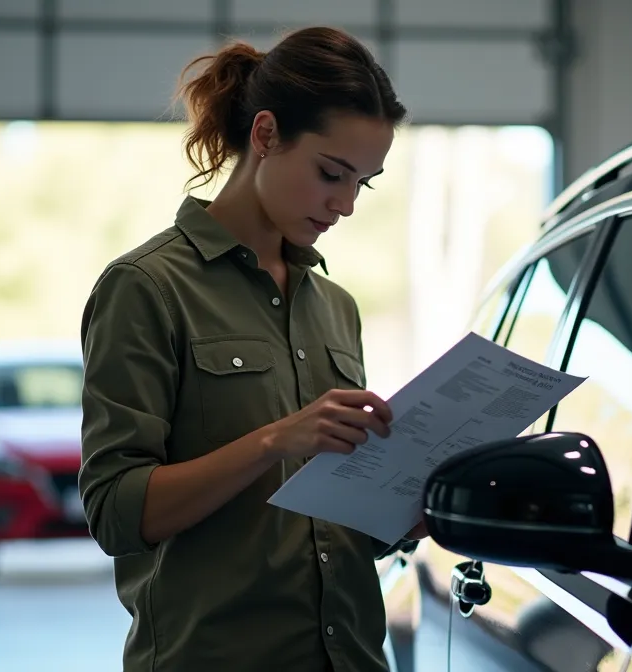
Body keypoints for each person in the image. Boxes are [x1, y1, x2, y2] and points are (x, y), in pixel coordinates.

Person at [78, 26, 425, 672]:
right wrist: (274, 441)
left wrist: (403, 512)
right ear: (265, 135)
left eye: (363, 184)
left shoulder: (336, 309)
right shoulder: (147, 288)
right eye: (331, 174)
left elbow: (329, 530)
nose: (345, 204)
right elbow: (115, 511)